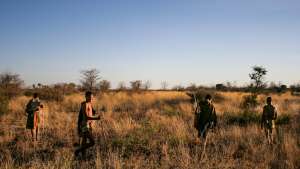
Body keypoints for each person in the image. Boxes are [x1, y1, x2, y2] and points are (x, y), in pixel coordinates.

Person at [75, 91, 100, 158]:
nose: (91, 98)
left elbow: (91, 113)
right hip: (85, 126)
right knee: (92, 142)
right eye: (90, 97)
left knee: (84, 141)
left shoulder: (90, 104)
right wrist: (96, 118)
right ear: (86, 96)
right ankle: (78, 150)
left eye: (92, 97)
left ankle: (83, 156)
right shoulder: (84, 104)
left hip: (88, 125)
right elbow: (85, 117)